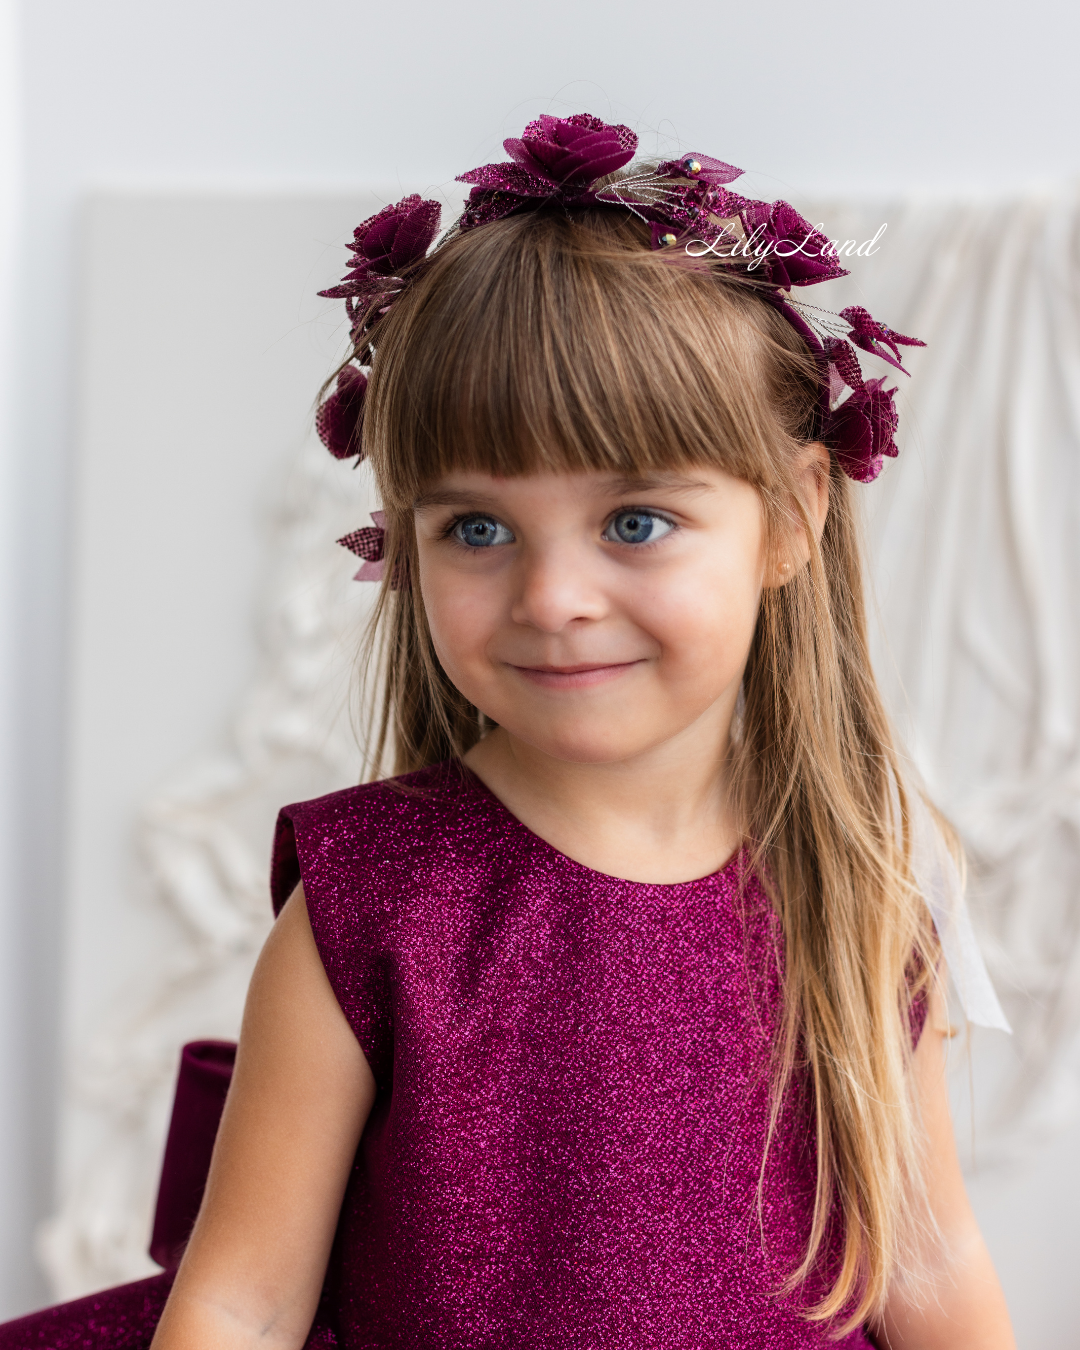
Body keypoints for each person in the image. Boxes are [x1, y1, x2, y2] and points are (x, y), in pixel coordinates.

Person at [0, 113, 1015, 1350]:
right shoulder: (371, 904)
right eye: (477, 529)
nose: (552, 599)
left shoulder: (858, 885)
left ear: (794, 517)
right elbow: (245, 1301)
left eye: (636, 521)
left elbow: (927, 1262)